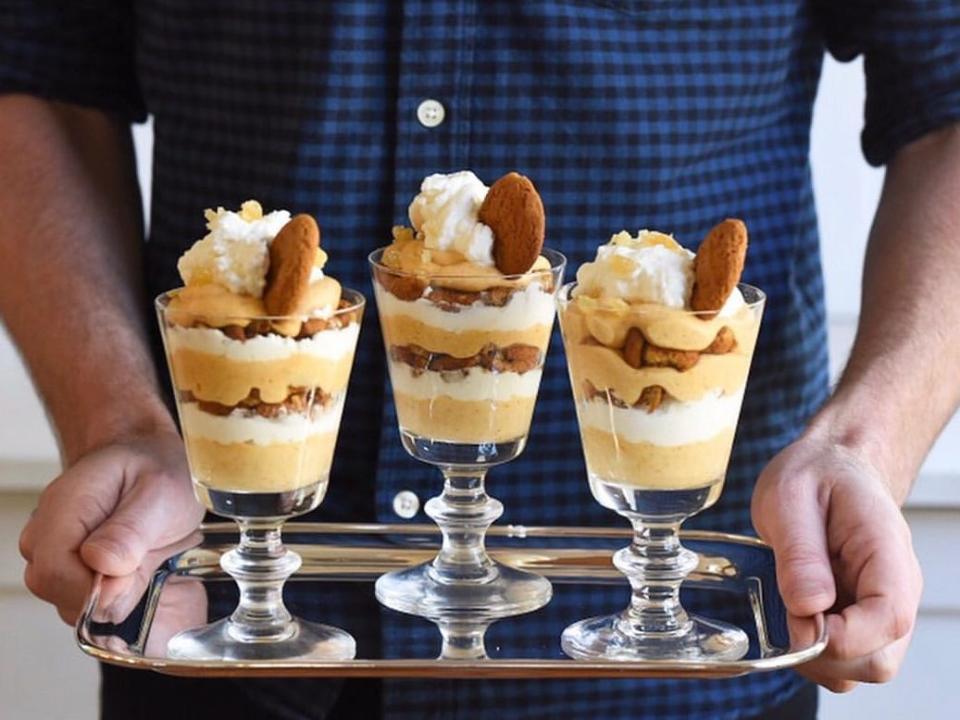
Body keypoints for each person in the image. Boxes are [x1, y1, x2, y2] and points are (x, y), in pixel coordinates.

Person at [3, 2, 957, 718]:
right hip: (212, 621)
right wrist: (117, 420)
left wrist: (865, 447)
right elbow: (37, 69)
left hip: (695, 642)